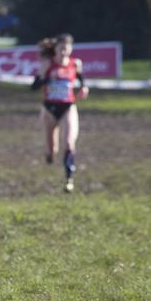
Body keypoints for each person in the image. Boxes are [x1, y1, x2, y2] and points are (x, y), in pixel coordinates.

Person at [31, 33, 88, 192]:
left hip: (67, 107)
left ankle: (69, 180)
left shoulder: (75, 64)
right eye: (61, 48)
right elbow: (33, 87)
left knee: (69, 143)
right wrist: (43, 77)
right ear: (55, 49)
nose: (64, 52)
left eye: (67, 49)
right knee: (51, 150)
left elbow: (81, 79)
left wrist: (84, 87)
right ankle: (49, 155)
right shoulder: (48, 64)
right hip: (49, 109)